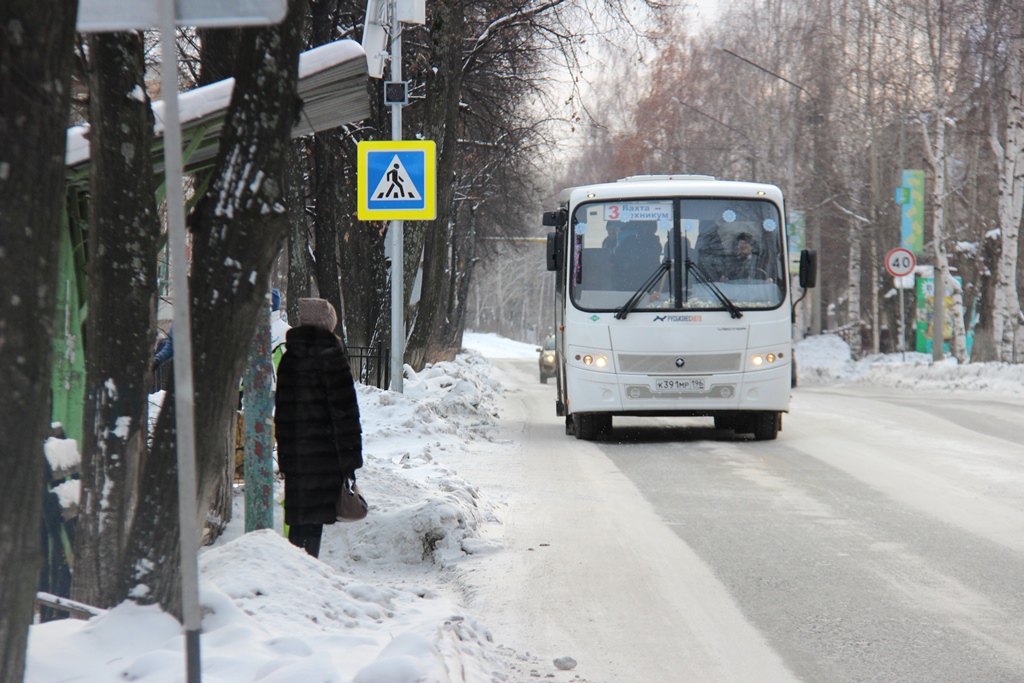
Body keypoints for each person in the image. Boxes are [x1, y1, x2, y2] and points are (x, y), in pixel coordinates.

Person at [274, 298, 363, 558]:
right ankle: (306, 573)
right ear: (328, 324)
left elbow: (283, 412)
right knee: (314, 524)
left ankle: (295, 570)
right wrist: (350, 461)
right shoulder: (331, 358)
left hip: (297, 456)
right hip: (324, 457)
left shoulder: (290, 358)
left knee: (299, 519)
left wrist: (285, 456)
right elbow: (345, 414)